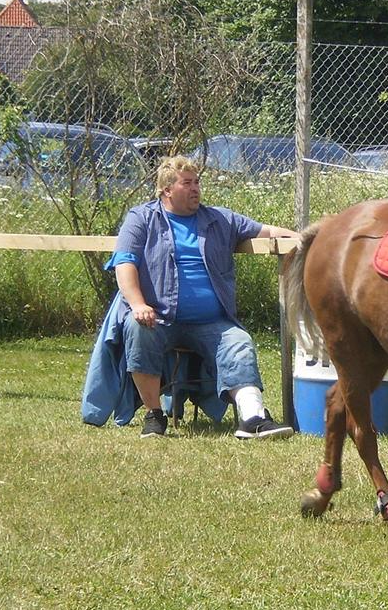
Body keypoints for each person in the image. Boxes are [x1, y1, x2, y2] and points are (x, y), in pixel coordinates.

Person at [109, 154, 296, 440]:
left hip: (213, 322)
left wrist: (303, 238)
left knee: (239, 342)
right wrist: (137, 304)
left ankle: (253, 418)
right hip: (158, 317)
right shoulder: (141, 218)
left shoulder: (220, 219)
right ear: (166, 190)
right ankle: (154, 415)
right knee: (137, 327)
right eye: (187, 183)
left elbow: (267, 231)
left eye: (197, 182)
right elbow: (124, 263)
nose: (196, 188)